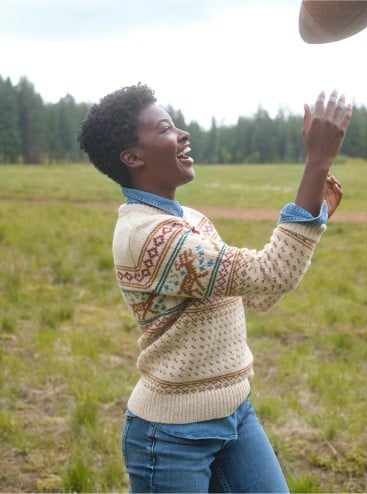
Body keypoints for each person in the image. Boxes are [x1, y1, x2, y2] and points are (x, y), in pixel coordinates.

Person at [77, 84, 352, 493]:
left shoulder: (191, 219)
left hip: (236, 414)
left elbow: (260, 294)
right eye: (166, 128)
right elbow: (270, 274)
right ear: (132, 157)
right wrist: (317, 162)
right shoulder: (151, 236)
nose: (183, 134)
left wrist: (314, 208)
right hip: (171, 440)